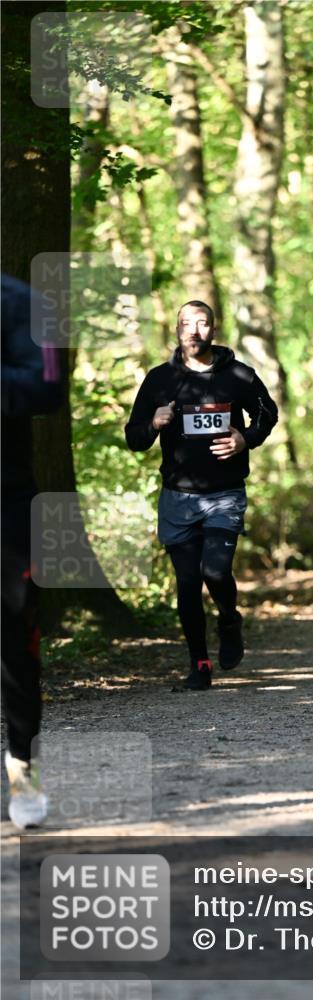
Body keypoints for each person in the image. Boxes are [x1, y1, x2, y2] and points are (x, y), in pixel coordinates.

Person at [125, 301, 278, 690]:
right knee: (188, 583)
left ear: (213, 328)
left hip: (224, 493)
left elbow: (267, 413)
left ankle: (229, 618)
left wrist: (245, 438)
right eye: (185, 324)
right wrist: (154, 423)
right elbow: (134, 437)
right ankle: (200, 664)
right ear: (176, 330)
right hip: (178, 497)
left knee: (215, 570)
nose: (193, 330)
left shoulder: (238, 375)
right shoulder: (160, 379)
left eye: (202, 323)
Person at [2, 273, 62, 828]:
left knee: (15, 635)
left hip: (6, 501)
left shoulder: (22, 304)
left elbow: (48, 386)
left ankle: (23, 765)